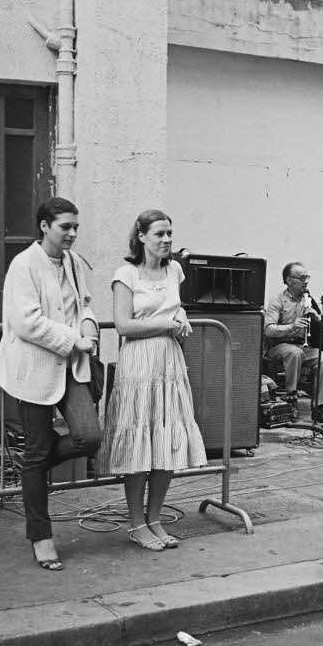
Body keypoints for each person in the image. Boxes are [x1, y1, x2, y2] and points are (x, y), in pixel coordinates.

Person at [0, 197, 102, 571]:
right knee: (37, 455)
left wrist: (87, 326)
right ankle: (41, 535)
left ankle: (32, 466)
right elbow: (27, 323)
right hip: (34, 369)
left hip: (71, 366)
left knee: (89, 436)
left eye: (75, 227)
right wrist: (74, 339)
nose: (72, 233)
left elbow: (85, 303)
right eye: (64, 227)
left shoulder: (72, 263)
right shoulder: (24, 265)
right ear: (44, 226)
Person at [98, 209, 207, 552]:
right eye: (159, 234)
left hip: (169, 364)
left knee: (167, 441)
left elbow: (173, 306)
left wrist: (181, 316)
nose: (166, 240)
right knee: (140, 443)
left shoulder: (175, 270)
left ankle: (156, 519)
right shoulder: (126, 274)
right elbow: (124, 325)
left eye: (170, 234)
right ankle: (136, 524)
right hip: (139, 364)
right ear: (142, 236)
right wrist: (166, 325)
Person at [264, 261, 323, 425]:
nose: (306, 281)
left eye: (307, 277)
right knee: (295, 353)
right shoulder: (278, 301)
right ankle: (291, 399)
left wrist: (318, 318)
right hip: (280, 346)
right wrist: (291, 326)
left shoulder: (309, 299)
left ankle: (319, 406)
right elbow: (268, 329)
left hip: (303, 346)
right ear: (289, 280)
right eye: (302, 277)